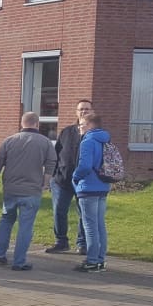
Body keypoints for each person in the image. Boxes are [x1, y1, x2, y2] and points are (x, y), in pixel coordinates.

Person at [0, 112, 57, 271]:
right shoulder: (45, 142)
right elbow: (51, 164)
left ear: (21, 123)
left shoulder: (9, 140)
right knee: (25, 226)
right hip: (31, 191)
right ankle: (19, 262)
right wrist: (45, 184)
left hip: (10, 190)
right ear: (37, 124)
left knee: (5, 220)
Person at [45, 99, 94, 255]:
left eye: (87, 109)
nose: (84, 112)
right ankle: (61, 242)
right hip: (62, 180)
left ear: (92, 112)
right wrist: (53, 176)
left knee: (83, 213)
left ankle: (82, 243)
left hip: (85, 181)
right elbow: (56, 153)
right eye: (81, 109)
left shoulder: (95, 134)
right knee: (59, 210)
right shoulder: (66, 132)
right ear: (76, 112)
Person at [72, 113, 111, 273]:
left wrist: (75, 177)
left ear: (89, 125)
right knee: (100, 224)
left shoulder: (88, 141)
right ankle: (101, 260)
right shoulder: (105, 139)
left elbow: (85, 166)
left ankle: (92, 261)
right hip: (103, 185)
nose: (79, 127)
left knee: (89, 226)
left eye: (81, 124)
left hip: (88, 187)